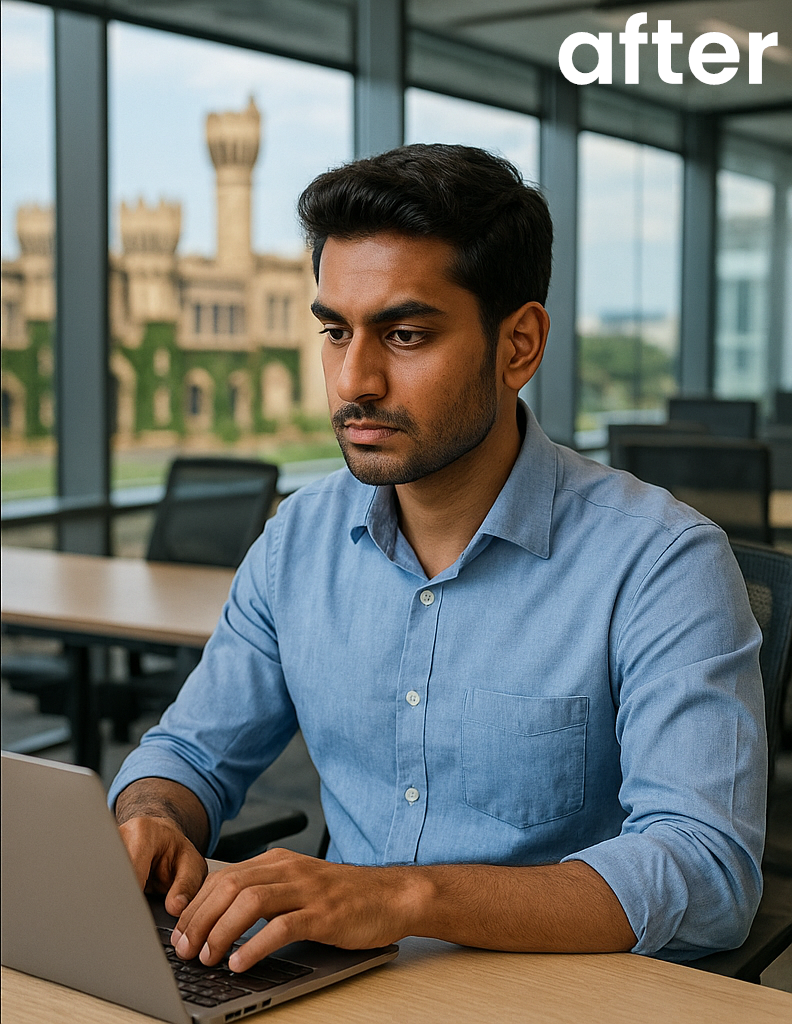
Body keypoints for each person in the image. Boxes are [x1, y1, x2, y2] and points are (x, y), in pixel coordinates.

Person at [110, 144, 766, 967]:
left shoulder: (662, 563)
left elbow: (706, 872)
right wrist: (156, 816)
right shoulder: (297, 542)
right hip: (334, 983)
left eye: (406, 334)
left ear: (518, 345)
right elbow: (190, 753)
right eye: (335, 331)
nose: (356, 379)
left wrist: (402, 895)